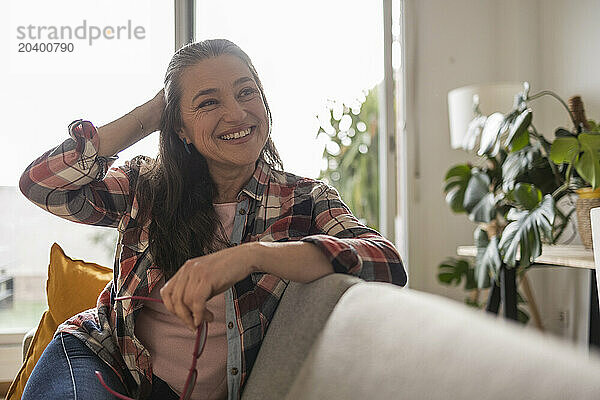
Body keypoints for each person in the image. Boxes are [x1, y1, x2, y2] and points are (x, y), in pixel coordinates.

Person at [19, 39, 407, 400]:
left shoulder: (305, 201)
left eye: (246, 92)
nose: (236, 113)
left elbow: (387, 262)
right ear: (179, 128)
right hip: (99, 360)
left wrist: (253, 255)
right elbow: (42, 185)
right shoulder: (145, 187)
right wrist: (149, 115)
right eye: (208, 103)